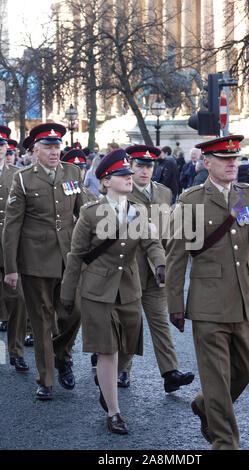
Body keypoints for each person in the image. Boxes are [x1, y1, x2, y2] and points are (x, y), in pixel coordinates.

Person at [165, 135, 249, 450]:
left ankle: (205, 404)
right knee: (216, 378)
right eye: (224, 159)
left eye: (235, 159)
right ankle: (225, 443)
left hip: (246, 299)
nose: (231, 164)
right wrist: (175, 304)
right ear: (207, 162)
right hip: (208, 304)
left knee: (247, 367)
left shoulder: (247, 195)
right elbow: (176, 255)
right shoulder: (191, 201)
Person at [60, 148, 166, 435]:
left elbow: (151, 244)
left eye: (129, 174)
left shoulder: (139, 212)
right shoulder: (90, 214)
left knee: (126, 348)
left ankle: (106, 390)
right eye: (122, 175)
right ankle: (114, 411)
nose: (129, 178)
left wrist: (159, 263)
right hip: (97, 291)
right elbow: (76, 256)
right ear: (106, 181)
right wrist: (68, 296)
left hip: (129, 291)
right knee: (107, 351)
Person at [3, 123, 88, 400]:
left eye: (57, 146)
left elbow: (84, 213)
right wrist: (12, 267)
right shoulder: (24, 179)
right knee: (41, 320)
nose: (54, 151)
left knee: (74, 311)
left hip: (68, 259)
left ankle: (62, 355)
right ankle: (46, 378)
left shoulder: (72, 172)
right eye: (48, 147)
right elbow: (12, 226)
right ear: (35, 151)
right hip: (35, 261)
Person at [116, 144, 194, 391]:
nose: (145, 171)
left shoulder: (164, 192)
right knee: (131, 322)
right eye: (139, 166)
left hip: (157, 269)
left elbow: (167, 232)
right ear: (130, 166)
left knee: (160, 321)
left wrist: (168, 259)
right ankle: (122, 369)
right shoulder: (121, 192)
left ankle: (170, 372)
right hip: (130, 268)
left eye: (149, 166)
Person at [0, 127, 29, 371]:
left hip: (11, 248)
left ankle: (16, 351)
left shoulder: (18, 175)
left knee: (18, 299)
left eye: (2, 146)